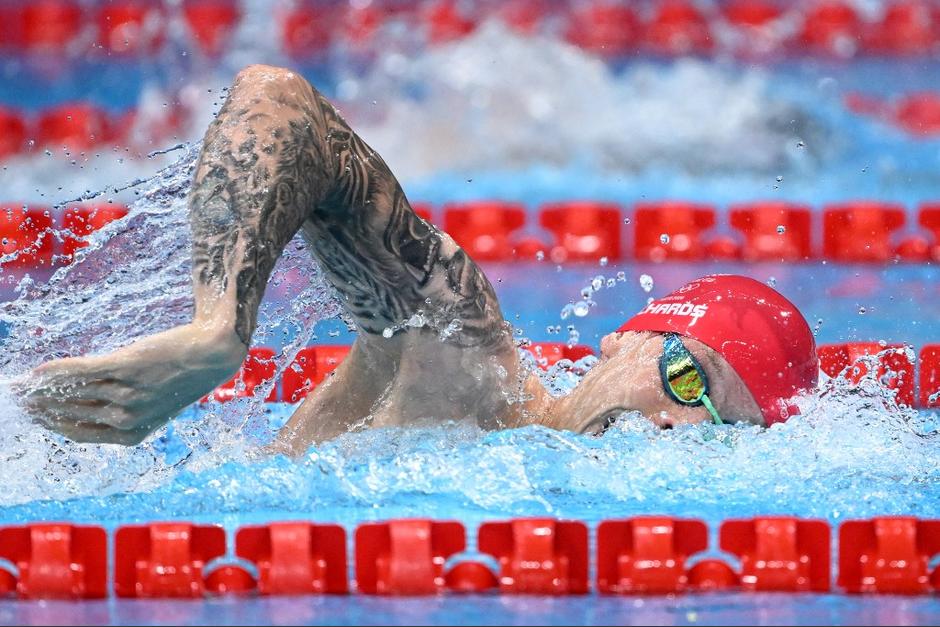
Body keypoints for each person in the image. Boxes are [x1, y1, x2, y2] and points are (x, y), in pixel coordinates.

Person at [20, 65, 819, 454]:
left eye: (715, 432)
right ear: (626, 339)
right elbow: (279, 103)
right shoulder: (462, 355)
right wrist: (215, 328)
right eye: (688, 379)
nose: (676, 425)